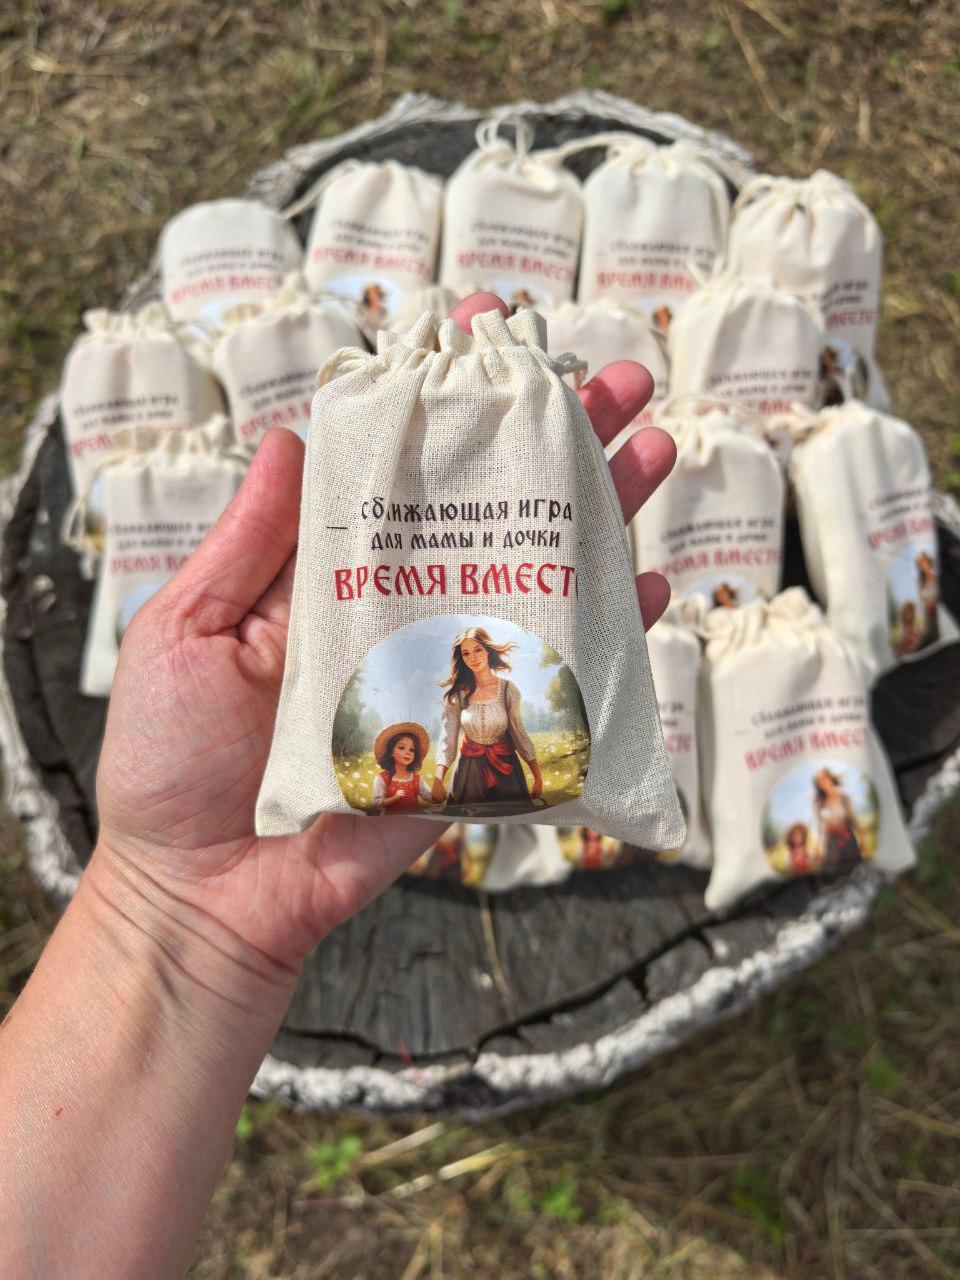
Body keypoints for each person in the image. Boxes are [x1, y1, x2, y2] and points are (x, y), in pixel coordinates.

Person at [0, 291, 676, 1279]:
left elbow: (520, 744)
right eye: (472, 653)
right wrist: (163, 899)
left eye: (479, 650)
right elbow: (452, 723)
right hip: (467, 759)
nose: (475, 655)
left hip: (509, 757)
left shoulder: (499, 685)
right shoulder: (452, 698)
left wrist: (161, 912)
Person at [432, 627, 541, 815]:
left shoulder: (508, 690)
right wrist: (438, 780)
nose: (472, 658)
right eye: (466, 653)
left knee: (512, 819)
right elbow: (447, 737)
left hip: (506, 769)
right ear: (462, 659)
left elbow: (519, 733)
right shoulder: (457, 694)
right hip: (469, 771)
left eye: (477, 650)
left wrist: (537, 777)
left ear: (488, 651)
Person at [371, 722, 433, 814]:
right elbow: (376, 803)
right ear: (391, 752)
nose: (408, 752)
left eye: (412, 750)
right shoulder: (382, 778)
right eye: (401, 747)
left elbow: (431, 798)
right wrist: (394, 798)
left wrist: (438, 793)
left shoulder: (417, 779)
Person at [813, 767, 863, 871]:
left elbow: (852, 819)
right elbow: (818, 826)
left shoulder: (844, 798)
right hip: (830, 840)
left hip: (847, 836)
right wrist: (817, 847)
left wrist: (862, 837)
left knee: (855, 867)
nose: (822, 783)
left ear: (830, 778)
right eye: (819, 782)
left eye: (824, 779)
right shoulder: (818, 803)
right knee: (833, 869)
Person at [916, 550, 940, 646]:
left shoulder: (936, 576)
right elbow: (921, 599)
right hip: (927, 613)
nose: (923, 565)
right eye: (920, 563)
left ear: (928, 562)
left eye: (924, 562)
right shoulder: (920, 582)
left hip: (938, 611)